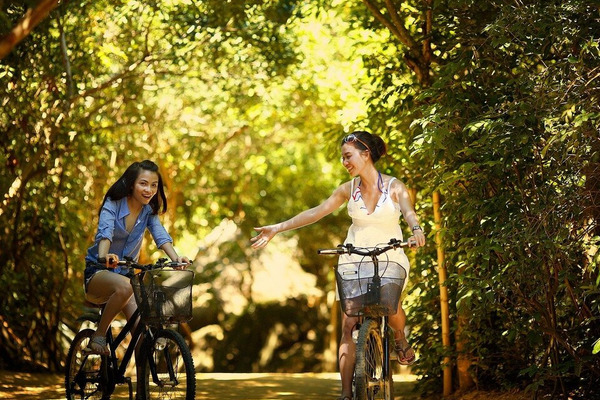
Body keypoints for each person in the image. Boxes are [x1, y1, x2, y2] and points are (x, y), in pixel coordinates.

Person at [251, 131, 426, 400]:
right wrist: (277, 228)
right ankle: (346, 394)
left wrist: (416, 230)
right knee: (348, 325)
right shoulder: (348, 189)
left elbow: (408, 211)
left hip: (389, 255)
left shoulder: (394, 186)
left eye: (348, 156)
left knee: (391, 307)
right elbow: (316, 212)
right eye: (343, 158)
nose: (345, 162)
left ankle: (400, 337)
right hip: (354, 258)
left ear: (366, 154)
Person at [83, 160, 190, 355]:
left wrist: (176, 258)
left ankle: (143, 384)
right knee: (125, 286)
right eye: (143, 183)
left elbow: (160, 234)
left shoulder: (148, 211)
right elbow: (105, 233)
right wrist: (104, 256)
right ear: (131, 183)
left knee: (143, 339)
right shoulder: (113, 204)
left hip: (126, 276)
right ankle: (98, 336)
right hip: (98, 272)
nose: (149, 190)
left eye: (154, 185)